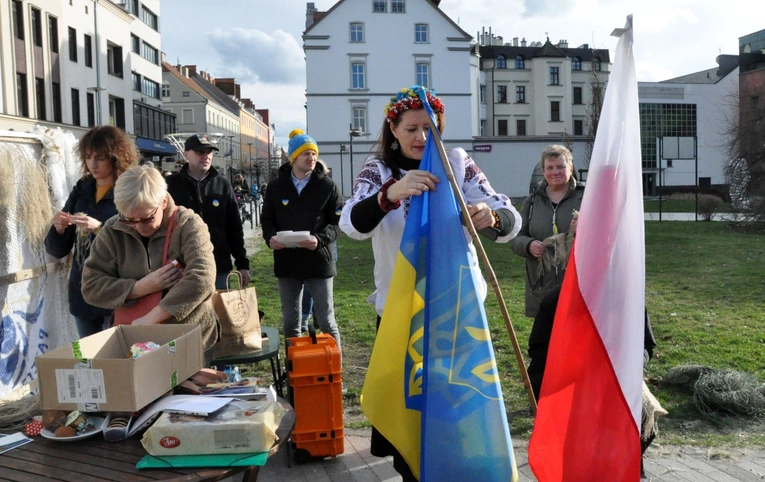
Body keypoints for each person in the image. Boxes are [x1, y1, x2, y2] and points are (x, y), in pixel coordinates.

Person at [339, 86, 521, 481]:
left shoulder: (456, 161)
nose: (422, 137)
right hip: (401, 312)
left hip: (456, 313)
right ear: (393, 128)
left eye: (429, 127)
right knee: (411, 416)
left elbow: (507, 213)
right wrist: (391, 195)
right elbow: (351, 224)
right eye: (412, 129)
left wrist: (489, 217)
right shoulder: (378, 170)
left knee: (456, 415)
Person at [81, 166, 219, 364]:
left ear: (163, 202)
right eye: (129, 220)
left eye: (146, 219)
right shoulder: (112, 230)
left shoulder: (189, 224)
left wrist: (151, 318)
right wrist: (139, 287)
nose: (138, 226)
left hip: (188, 338)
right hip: (134, 342)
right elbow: (91, 287)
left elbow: (202, 279)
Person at [44, 125, 139, 338]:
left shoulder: (130, 187)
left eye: (100, 158)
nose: (92, 164)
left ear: (116, 157)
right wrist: (58, 229)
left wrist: (99, 227)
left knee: (117, 359)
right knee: (88, 362)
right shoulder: (83, 187)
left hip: (117, 291)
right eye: (88, 157)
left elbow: (139, 238)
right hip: (82, 293)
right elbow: (57, 250)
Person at [261, 130, 343, 354]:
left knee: (327, 322)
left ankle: (335, 376)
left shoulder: (328, 186)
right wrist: (271, 238)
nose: (311, 158)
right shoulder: (276, 187)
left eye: (314, 153)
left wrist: (319, 239)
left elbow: (338, 223)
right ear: (293, 157)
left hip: (319, 260)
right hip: (287, 261)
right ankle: (295, 377)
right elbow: (267, 220)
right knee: (291, 323)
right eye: (306, 153)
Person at [166, 134, 250, 289]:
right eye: (200, 152)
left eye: (209, 152)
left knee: (218, 312)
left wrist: (242, 264)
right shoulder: (171, 185)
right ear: (186, 155)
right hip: (182, 269)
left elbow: (234, 228)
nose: (206, 156)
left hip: (219, 267)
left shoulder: (223, 185)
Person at [509, 145, 584, 318]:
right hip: (541, 287)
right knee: (546, 342)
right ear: (543, 171)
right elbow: (516, 236)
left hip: (576, 284)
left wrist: (583, 231)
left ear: (570, 168)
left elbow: (605, 237)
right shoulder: (532, 201)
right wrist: (528, 245)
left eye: (561, 166)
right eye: (550, 168)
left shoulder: (586, 197)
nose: (555, 172)